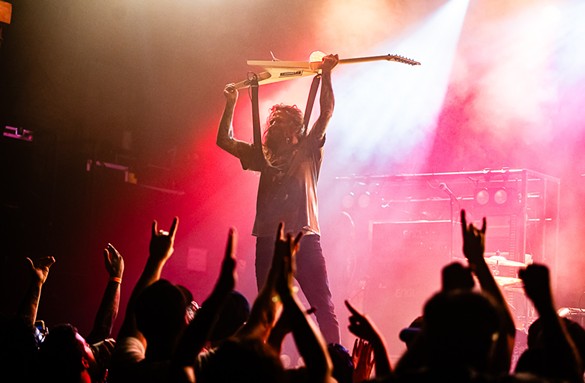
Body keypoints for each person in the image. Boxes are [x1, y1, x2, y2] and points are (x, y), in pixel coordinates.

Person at [216, 53, 340, 344]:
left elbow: (325, 113)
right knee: (265, 314)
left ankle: (338, 366)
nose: (279, 128)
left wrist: (327, 75)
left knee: (323, 308)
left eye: (284, 124)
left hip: (305, 240)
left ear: (296, 129)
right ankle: (264, 368)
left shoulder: (309, 149)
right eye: (276, 124)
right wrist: (231, 103)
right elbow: (224, 140)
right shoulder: (265, 157)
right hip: (270, 241)